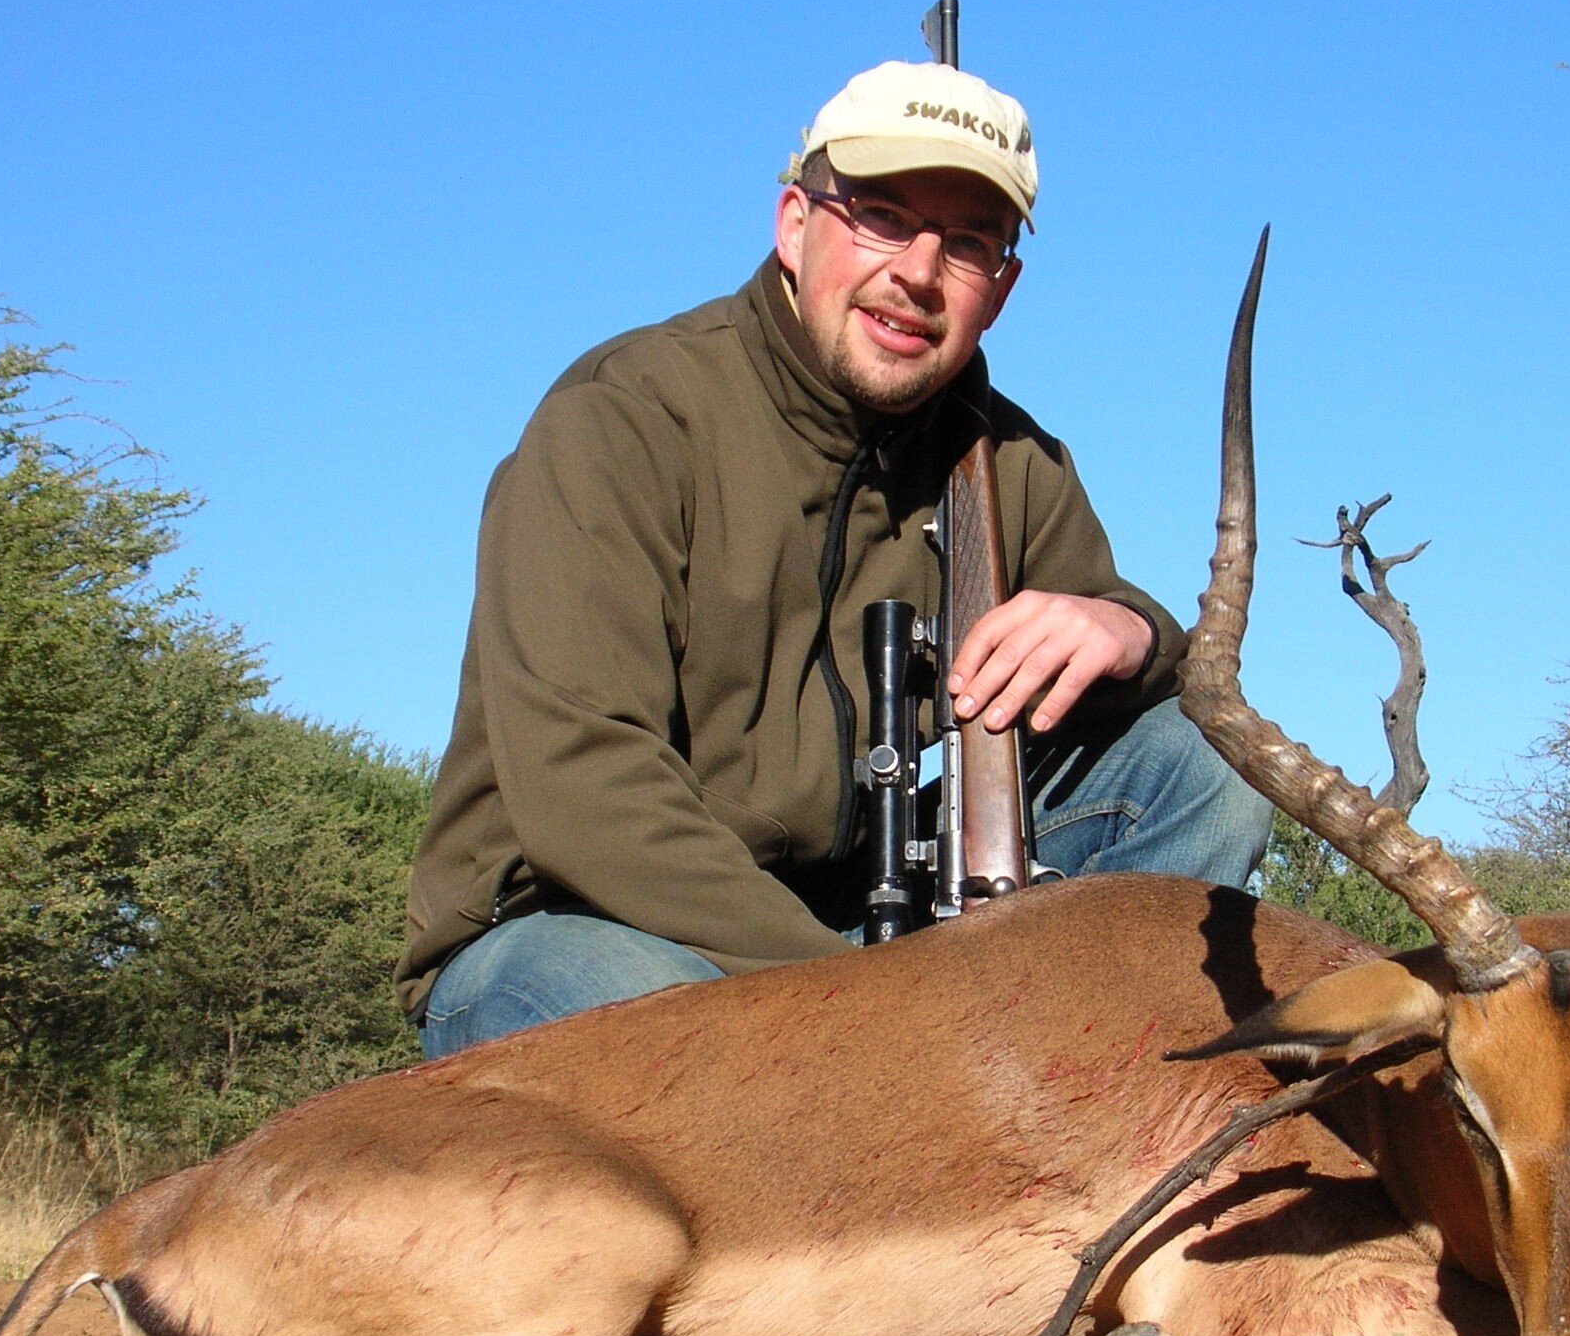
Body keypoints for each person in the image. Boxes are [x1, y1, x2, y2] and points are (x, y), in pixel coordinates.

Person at [398, 59, 1274, 1054]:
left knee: (1200, 764)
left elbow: (1129, 652)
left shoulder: (1011, 462)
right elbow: (582, 795)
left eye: (968, 245)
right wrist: (868, 998)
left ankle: (1091, 1095)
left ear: (1003, 289)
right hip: (586, 929)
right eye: (881, 217)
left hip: (867, 933)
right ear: (793, 224)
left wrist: (1126, 627)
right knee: (669, 1020)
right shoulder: (623, 416)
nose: (916, 271)